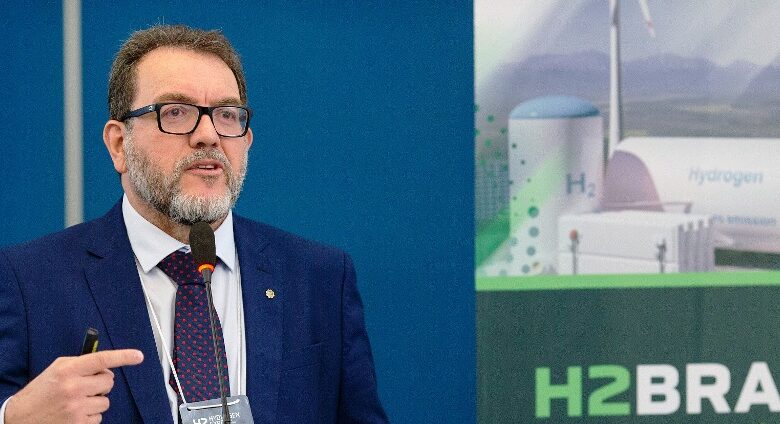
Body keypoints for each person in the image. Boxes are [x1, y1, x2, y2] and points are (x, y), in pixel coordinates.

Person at [0, 24, 388, 424]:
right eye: (176, 112)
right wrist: (12, 418)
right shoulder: (28, 281)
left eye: (227, 115)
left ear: (246, 140)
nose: (208, 135)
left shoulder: (319, 277)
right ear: (119, 145)